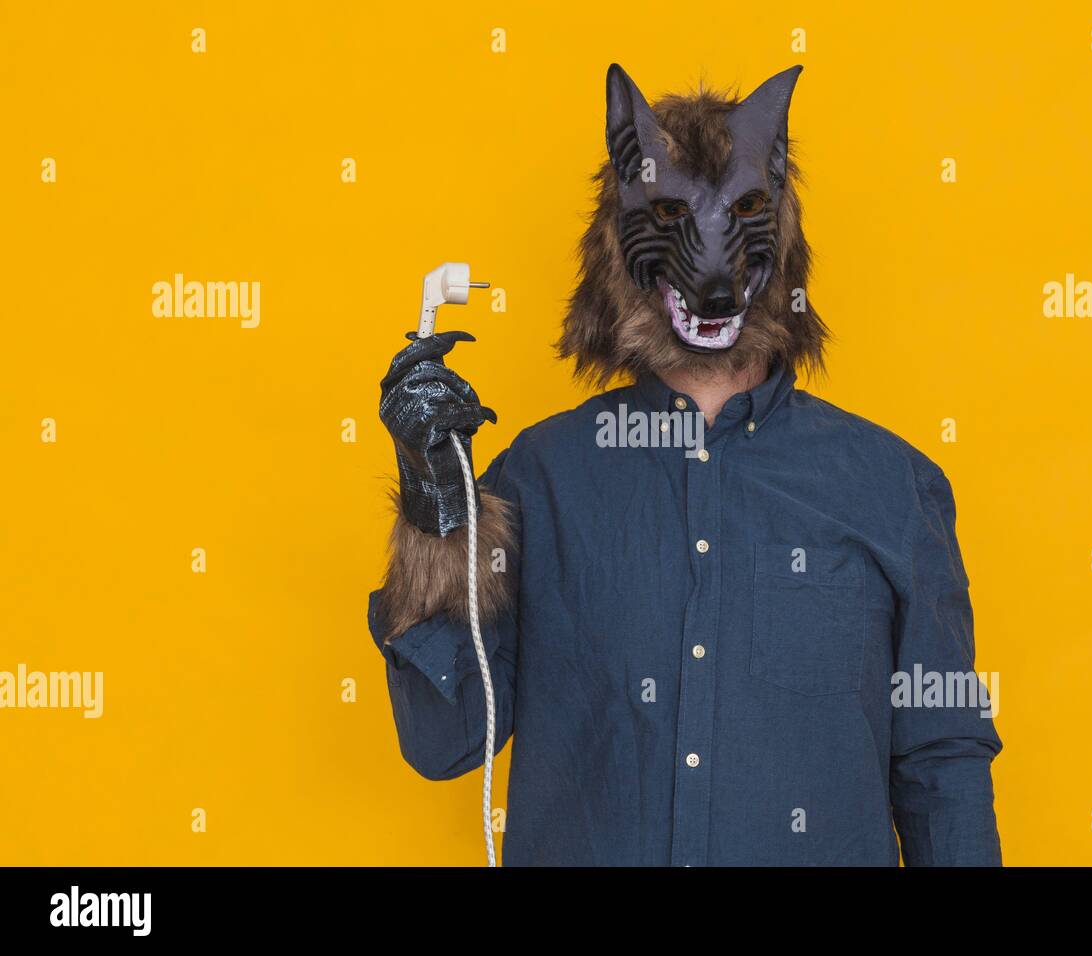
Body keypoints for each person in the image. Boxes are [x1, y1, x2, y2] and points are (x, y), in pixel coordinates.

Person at [367, 63, 1002, 866]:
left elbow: (942, 764)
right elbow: (443, 740)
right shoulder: (540, 479)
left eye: (741, 210)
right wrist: (435, 508)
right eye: (670, 212)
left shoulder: (890, 486)